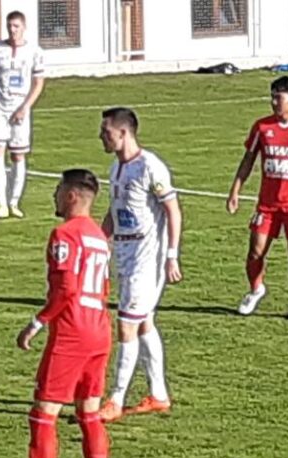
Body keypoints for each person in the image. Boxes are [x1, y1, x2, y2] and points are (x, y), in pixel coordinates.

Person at [4, 170, 113, 458]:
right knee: (89, 413)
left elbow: (66, 290)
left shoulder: (64, 235)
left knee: (43, 415)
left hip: (71, 333)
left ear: (71, 196)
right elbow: (104, 288)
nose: (53, 195)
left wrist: (36, 322)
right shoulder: (99, 237)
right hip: (100, 329)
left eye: (57, 189)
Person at [95, 107, 182, 423]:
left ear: (123, 133)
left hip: (147, 258)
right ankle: (158, 395)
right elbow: (114, 209)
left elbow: (173, 210)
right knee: (144, 323)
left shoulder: (150, 166)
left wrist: (171, 255)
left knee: (126, 325)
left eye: (105, 132)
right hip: (124, 252)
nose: (101, 137)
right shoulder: (116, 167)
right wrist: (100, 241)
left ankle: (116, 400)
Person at [225, 76, 288, 324]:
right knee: (255, 250)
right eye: (272, 97)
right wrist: (235, 190)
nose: (273, 102)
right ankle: (256, 289)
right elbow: (248, 160)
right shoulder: (262, 127)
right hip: (268, 204)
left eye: (278, 97)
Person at [0, 10, 45, 218]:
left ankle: (14, 202)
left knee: (17, 154)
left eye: (16, 26)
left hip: (20, 107)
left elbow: (38, 83)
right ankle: (1, 203)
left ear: (24, 27)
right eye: (9, 26)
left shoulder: (34, 51)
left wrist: (25, 107)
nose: (12, 30)